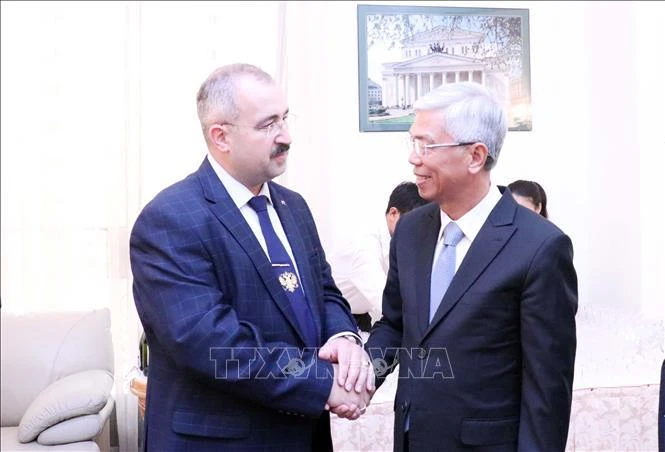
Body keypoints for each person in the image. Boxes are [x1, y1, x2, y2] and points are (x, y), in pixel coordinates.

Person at [129, 63, 373, 451]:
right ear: (220, 136)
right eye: (268, 125)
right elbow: (213, 344)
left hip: (304, 436)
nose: (286, 136)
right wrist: (322, 382)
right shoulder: (170, 219)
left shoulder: (293, 207)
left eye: (286, 118)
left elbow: (324, 293)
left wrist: (343, 337)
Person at [365, 82, 578, 452]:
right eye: (412, 143)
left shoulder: (540, 247)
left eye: (426, 145)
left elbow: (547, 391)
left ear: (476, 156)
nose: (414, 159)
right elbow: (396, 325)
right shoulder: (412, 230)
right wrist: (362, 377)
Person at [330, 182, 427, 333]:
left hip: (360, 316)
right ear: (393, 213)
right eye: (413, 222)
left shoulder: (401, 241)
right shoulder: (364, 244)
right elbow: (386, 301)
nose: (418, 230)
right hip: (335, 319)